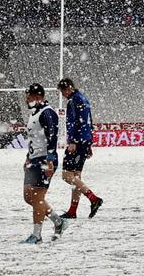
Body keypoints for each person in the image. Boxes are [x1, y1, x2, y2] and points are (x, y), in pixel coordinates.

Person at [21, 83, 67, 244]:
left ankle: (37, 235)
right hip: (34, 160)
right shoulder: (34, 113)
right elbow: (35, 139)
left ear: (38, 97)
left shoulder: (47, 113)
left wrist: (49, 160)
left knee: (38, 197)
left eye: (29, 97)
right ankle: (58, 221)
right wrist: (28, 156)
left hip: (44, 160)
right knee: (28, 196)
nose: (26, 100)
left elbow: (52, 138)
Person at [57, 77, 103, 219]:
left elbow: (77, 122)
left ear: (68, 88)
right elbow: (89, 121)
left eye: (63, 91)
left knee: (67, 175)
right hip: (84, 140)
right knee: (76, 176)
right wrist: (89, 143)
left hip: (77, 141)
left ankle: (94, 198)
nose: (63, 95)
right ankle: (72, 210)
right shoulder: (84, 98)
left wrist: (73, 141)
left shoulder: (74, 100)